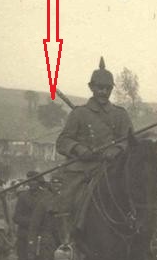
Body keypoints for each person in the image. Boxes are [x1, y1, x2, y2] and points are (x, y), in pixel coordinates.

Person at [55, 57, 133, 231]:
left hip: (113, 166)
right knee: (67, 200)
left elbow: (130, 140)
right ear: (91, 87)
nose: (103, 92)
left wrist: (117, 149)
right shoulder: (79, 114)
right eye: (100, 87)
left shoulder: (120, 114)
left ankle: (155, 239)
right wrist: (79, 149)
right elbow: (62, 141)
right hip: (84, 168)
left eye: (108, 88)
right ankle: (67, 238)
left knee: (143, 196)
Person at [28, 175, 68, 260]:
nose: (57, 186)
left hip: (65, 239)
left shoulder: (68, 200)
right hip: (48, 238)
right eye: (54, 183)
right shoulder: (44, 202)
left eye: (59, 183)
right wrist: (32, 243)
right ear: (50, 185)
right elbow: (34, 225)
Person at [13, 171, 47, 260]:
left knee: (42, 259)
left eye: (35, 181)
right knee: (25, 259)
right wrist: (32, 221)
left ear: (39, 182)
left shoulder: (46, 196)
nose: (32, 183)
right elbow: (16, 217)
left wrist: (40, 223)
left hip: (41, 232)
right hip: (25, 232)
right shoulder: (23, 197)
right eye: (30, 181)